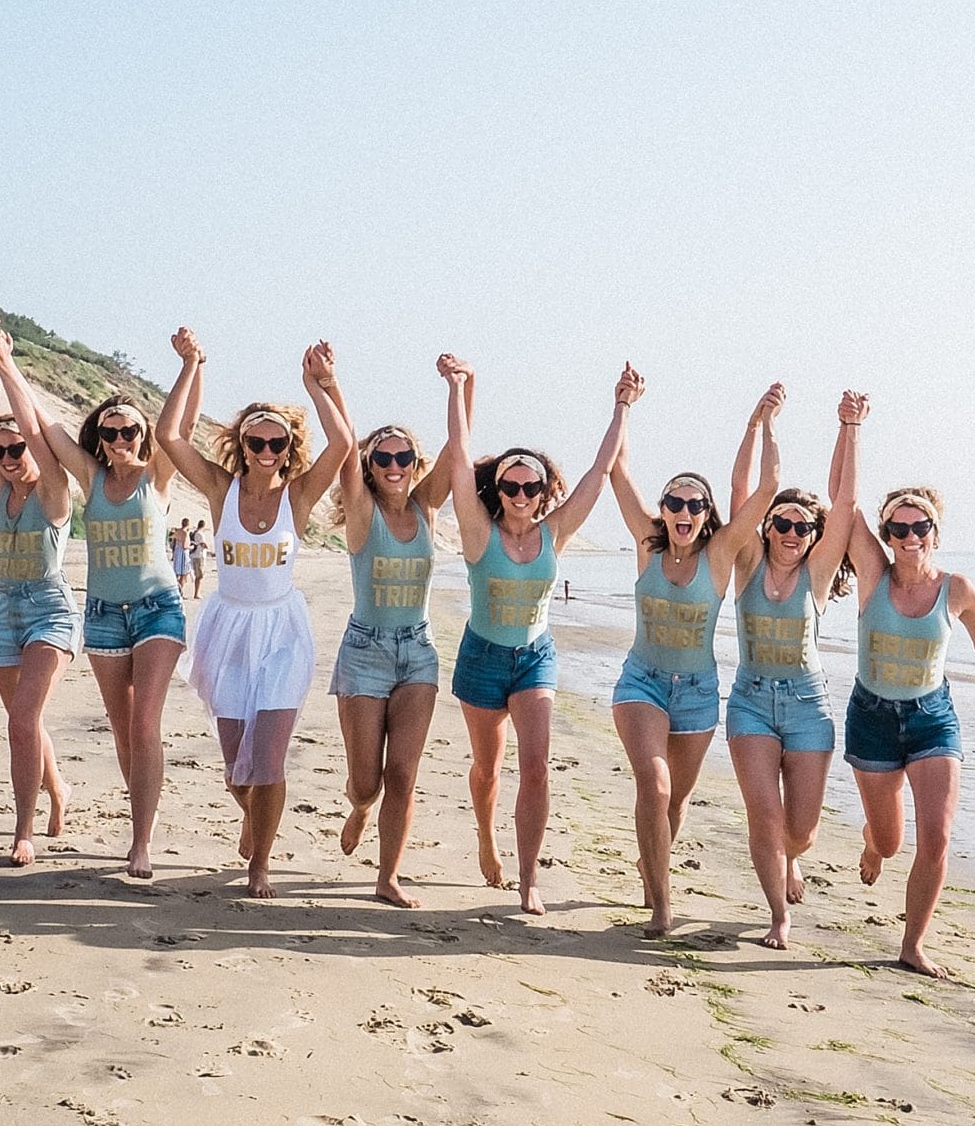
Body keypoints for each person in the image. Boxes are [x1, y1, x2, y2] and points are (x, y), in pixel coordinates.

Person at [156, 326, 352, 898]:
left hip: (283, 631)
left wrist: (318, 385)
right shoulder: (222, 491)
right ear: (241, 447)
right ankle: (252, 812)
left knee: (267, 762)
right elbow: (169, 434)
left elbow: (342, 445)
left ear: (289, 450)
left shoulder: (298, 496)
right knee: (235, 770)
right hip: (230, 628)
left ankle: (259, 864)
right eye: (255, 444)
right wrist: (192, 364)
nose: (266, 454)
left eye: (276, 445)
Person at [443, 355, 641, 915]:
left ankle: (529, 878)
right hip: (481, 657)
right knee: (488, 766)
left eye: (531, 486)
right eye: (511, 485)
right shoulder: (478, 532)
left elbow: (599, 474)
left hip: (535, 658)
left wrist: (621, 404)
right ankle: (485, 838)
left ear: (543, 489)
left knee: (536, 765)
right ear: (499, 489)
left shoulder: (556, 532)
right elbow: (458, 461)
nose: (522, 494)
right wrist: (456, 388)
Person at [844, 484, 975, 977]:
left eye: (920, 527)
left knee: (935, 837)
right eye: (900, 528)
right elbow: (846, 503)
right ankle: (873, 842)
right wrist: (850, 426)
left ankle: (912, 945)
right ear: (887, 535)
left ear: (935, 532)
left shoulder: (956, 589)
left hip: (931, 718)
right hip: (872, 718)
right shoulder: (872, 575)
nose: (910, 536)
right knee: (891, 842)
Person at [7, 325, 188, 880]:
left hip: (158, 608)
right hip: (105, 618)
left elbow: (173, 427)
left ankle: (141, 844)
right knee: (121, 725)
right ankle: (141, 820)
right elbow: (41, 427)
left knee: (145, 724)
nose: (119, 440)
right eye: (109, 432)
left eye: (129, 430)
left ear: (140, 433)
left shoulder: (155, 477)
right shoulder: (90, 475)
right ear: (99, 438)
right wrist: (7, 363)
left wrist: (188, 366)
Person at [603, 384, 778, 939]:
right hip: (643, 683)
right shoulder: (646, 543)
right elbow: (614, 470)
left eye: (694, 505)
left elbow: (768, 487)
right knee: (653, 788)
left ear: (706, 515)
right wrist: (623, 406)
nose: (682, 511)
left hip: (699, 690)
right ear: (663, 510)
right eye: (673, 503)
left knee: (673, 801)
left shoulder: (722, 553)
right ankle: (662, 903)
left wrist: (761, 423)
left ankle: (651, 864)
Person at [321, 355, 471, 907]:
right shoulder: (362, 513)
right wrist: (332, 383)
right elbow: (345, 444)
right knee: (368, 781)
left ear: (414, 463)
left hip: (419, 653)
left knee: (403, 774)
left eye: (403, 457)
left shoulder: (429, 506)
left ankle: (387, 876)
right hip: (364, 652)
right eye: (383, 457)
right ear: (370, 464)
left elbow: (459, 449)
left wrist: (460, 385)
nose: (393, 465)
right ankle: (359, 807)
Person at [720, 387, 868, 948]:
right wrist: (761, 422)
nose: (789, 533)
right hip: (751, 702)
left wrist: (849, 428)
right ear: (767, 527)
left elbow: (847, 506)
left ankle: (791, 859)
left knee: (799, 832)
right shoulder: (748, 563)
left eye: (802, 527)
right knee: (764, 819)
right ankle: (777, 915)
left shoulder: (818, 575)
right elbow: (742, 491)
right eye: (781, 522)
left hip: (809, 707)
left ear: (813, 537)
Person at [0, 320, 80, 865]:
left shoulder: (54, 492)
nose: (10, 458)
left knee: (20, 718)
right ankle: (57, 789)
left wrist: (8, 363)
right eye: (1, 452)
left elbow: (37, 431)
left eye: (17, 450)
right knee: (26, 718)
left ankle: (23, 829)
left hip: (48, 610)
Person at [187, 521, 209, 599]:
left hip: (195, 555)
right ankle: (196, 593)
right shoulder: (200, 534)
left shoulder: (195, 533)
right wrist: (207, 547)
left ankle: (197, 593)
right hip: (199, 555)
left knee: (198, 575)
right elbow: (203, 544)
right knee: (199, 575)